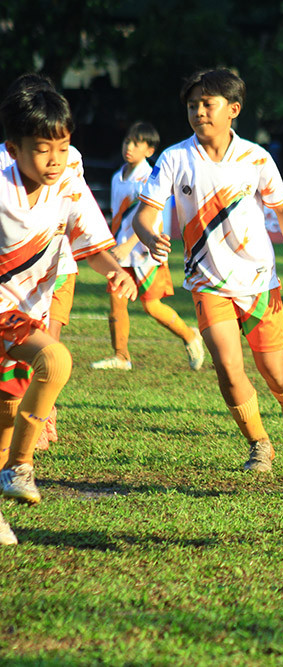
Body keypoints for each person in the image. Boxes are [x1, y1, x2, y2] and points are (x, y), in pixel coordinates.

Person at [133, 68, 283, 473]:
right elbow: (143, 215)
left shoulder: (255, 157)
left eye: (207, 104)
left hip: (259, 281)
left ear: (233, 109)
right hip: (207, 283)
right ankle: (259, 444)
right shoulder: (175, 158)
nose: (198, 112)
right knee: (229, 371)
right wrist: (149, 235)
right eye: (192, 105)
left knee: (275, 371)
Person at [0, 82, 137, 545]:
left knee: (6, 412)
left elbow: (89, 241)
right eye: (42, 150)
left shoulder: (69, 183)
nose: (55, 159)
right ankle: (20, 466)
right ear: (13, 148)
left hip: (29, 310)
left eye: (62, 147)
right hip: (4, 312)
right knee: (56, 360)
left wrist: (115, 271)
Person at [0, 73, 86, 452]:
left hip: (59, 266)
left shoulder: (71, 158)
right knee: (25, 359)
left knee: (49, 345)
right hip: (14, 277)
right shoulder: (7, 162)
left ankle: (42, 416)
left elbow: (78, 213)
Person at [91, 121, 205, 372]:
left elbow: (150, 220)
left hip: (145, 252)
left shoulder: (150, 178)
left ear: (150, 150)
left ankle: (190, 336)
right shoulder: (117, 177)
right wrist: (113, 243)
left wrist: (130, 244)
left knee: (151, 306)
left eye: (136, 143)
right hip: (121, 252)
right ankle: (121, 357)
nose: (129, 147)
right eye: (127, 141)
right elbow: (119, 217)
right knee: (116, 299)